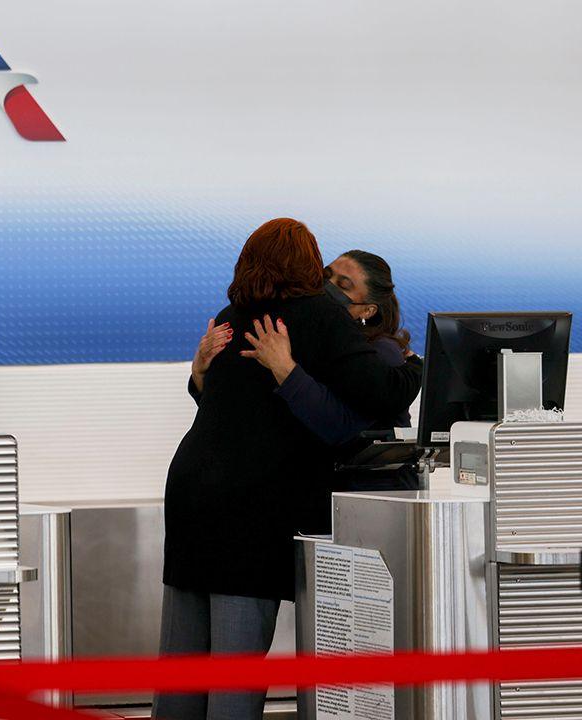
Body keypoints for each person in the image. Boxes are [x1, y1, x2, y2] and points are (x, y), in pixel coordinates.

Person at [155, 220, 421, 720]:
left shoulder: (230, 314)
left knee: (182, 667)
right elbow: (384, 394)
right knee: (234, 677)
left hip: (190, 493)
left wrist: (196, 376)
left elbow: (224, 401)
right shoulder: (320, 318)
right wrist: (416, 364)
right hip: (251, 506)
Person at [236, 250, 421, 503]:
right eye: (327, 276)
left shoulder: (381, 351)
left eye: (343, 285)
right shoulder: (319, 337)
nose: (328, 288)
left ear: (367, 310)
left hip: (374, 496)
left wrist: (286, 369)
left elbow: (340, 424)